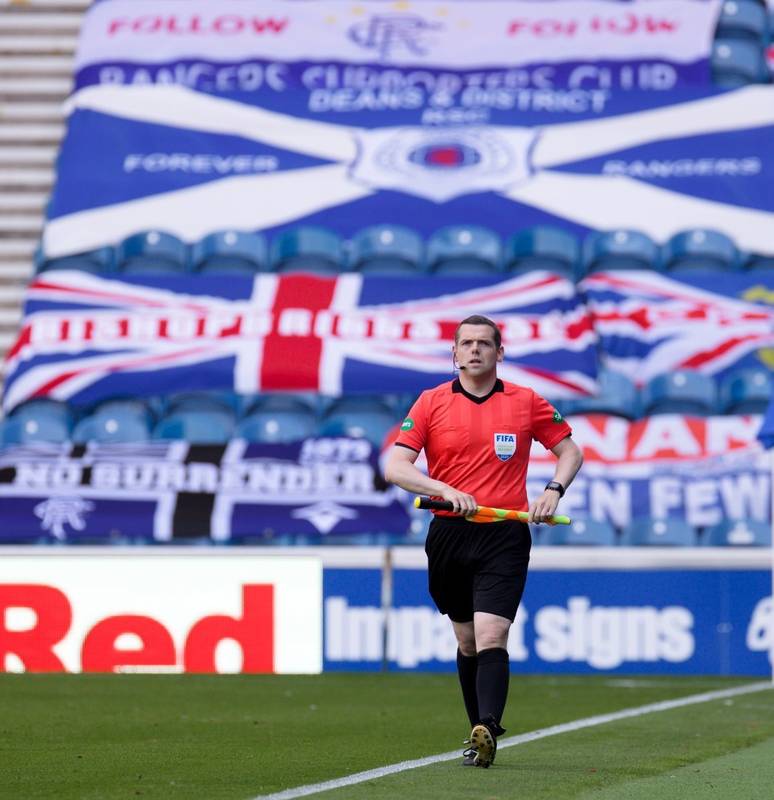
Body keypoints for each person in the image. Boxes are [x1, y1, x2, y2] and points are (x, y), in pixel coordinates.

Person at [384, 314, 583, 768]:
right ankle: (480, 734)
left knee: (494, 633)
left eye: (484, 344)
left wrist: (553, 490)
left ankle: (489, 725)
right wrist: (442, 490)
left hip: (504, 535)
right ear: (454, 353)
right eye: (466, 344)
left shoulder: (526, 401)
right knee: (468, 640)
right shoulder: (431, 402)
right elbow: (397, 467)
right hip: (449, 534)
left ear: (499, 353)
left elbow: (570, 451)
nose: (474, 350)